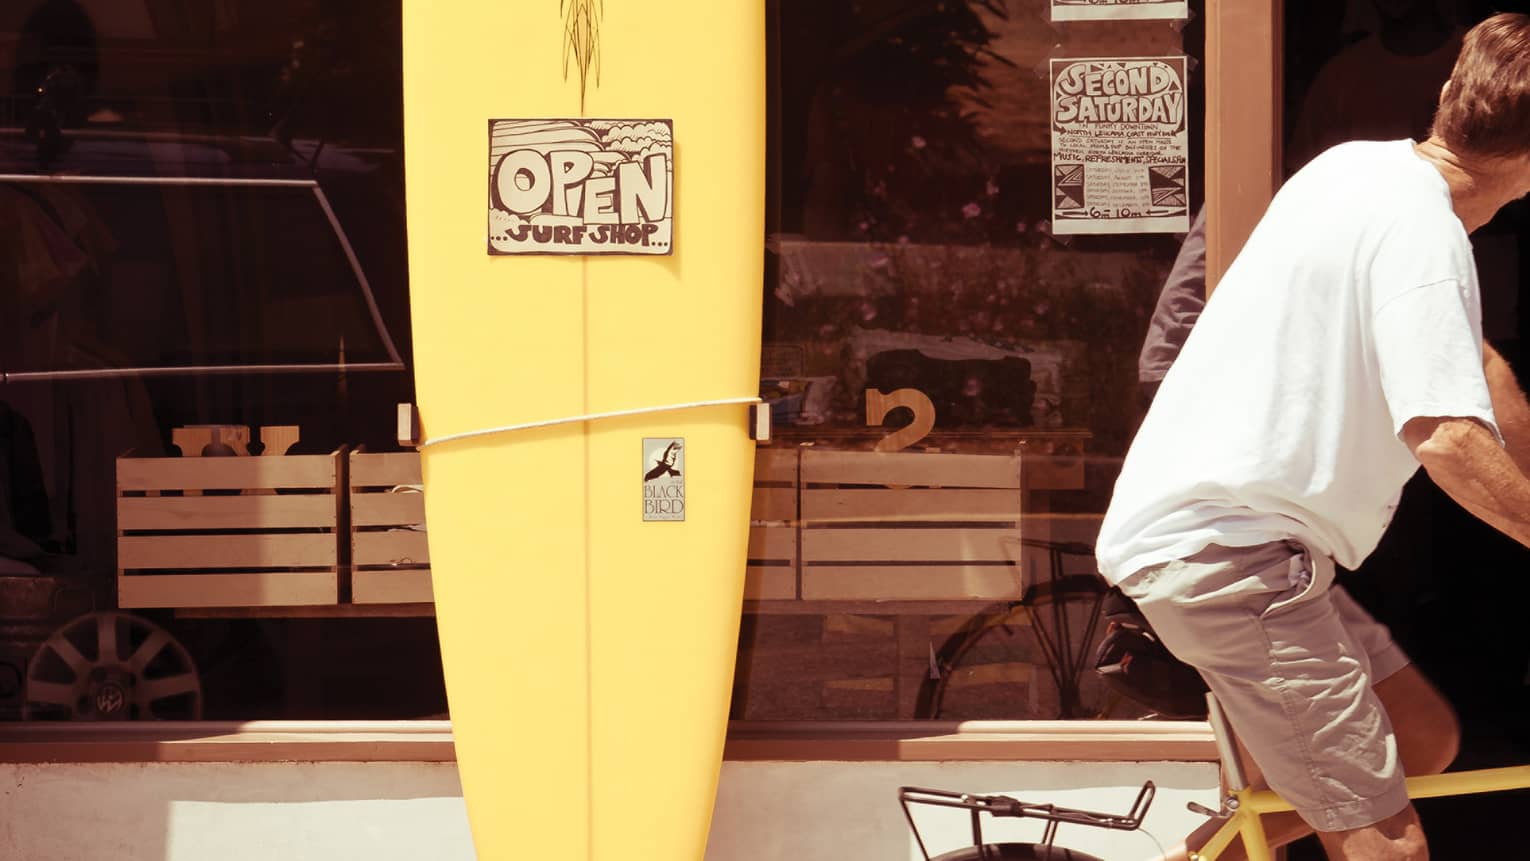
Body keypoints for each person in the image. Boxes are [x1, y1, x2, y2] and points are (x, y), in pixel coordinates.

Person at [1096, 13, 1530, 861]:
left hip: (1240, 546)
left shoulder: (1355, 171)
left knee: (1420, 736)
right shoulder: (1425, 236)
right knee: (1388, 844)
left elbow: (1472, 370)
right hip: (1234, 559)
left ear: (1448, 94)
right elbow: (1443, 435)